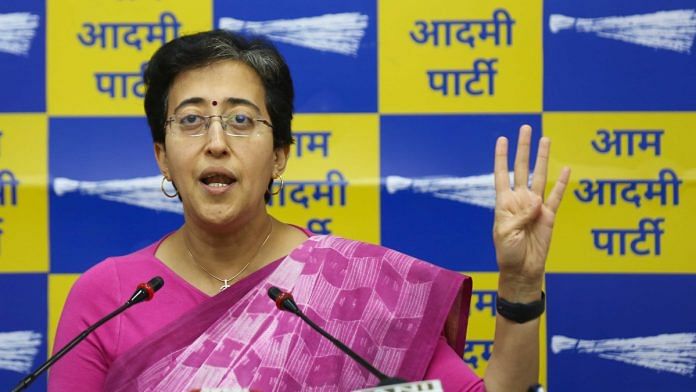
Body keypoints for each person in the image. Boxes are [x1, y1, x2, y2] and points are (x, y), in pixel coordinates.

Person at [49, 30, 570, 391]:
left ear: (280, 155)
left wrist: (521, 287)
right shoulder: (110, 296)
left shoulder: (354, 287)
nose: (214, 143)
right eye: (190, 121)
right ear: (162, 155)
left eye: (241, 120)